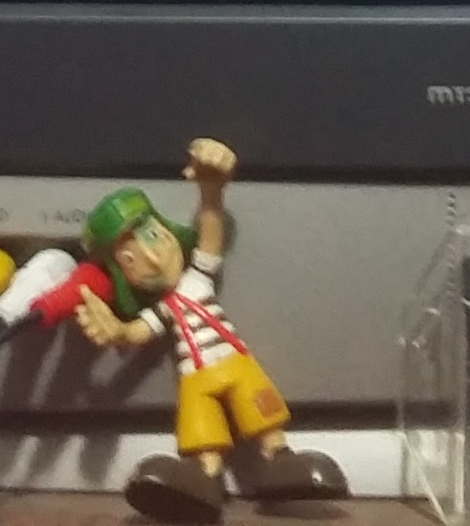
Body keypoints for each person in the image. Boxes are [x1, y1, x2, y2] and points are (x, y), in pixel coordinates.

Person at [73, 138, 349, 522]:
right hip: (196, 380)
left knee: (263, 413)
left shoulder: (198, 278)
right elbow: (138, 332)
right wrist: (117, 331)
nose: (152, 257)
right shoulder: (164, 310)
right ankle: (203, 480)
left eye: (152, 236)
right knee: (202, 432)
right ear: (122, 275)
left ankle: (278, 459)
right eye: (130, 258)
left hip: (235, 363)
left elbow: (210, 231)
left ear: (168, 230)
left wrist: (211, 189)